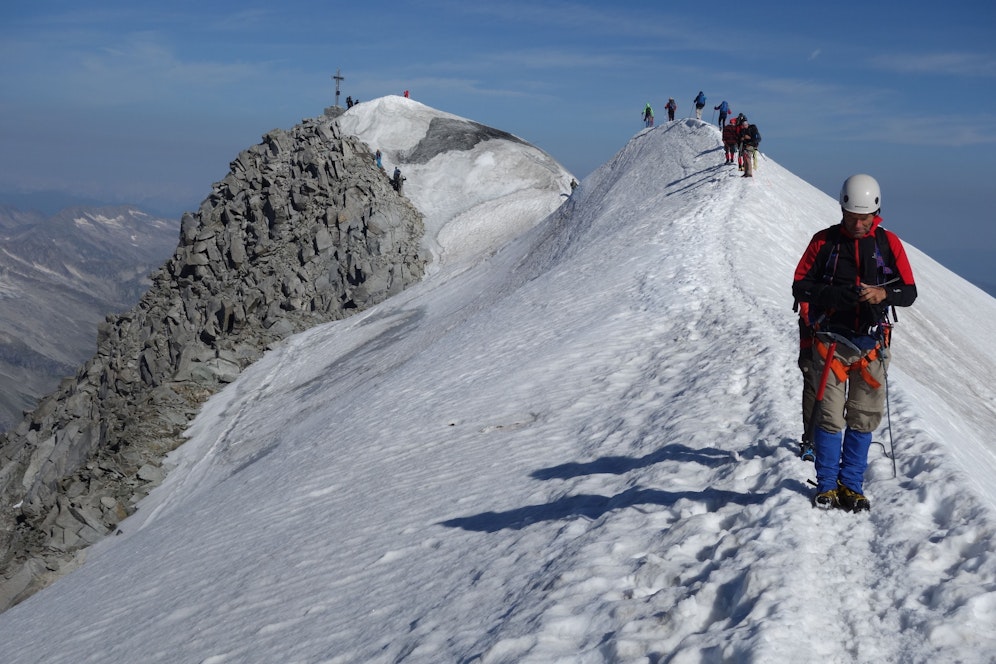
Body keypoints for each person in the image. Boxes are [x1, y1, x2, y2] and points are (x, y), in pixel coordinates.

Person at [792, 174, 917, 511]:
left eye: (866, 218)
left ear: (876, 213)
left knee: (864, 418)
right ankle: (827, 485)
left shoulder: (888, 244)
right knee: (830, 418)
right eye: (853, 217)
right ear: (842, 209)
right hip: (830, 343)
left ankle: (852, 485)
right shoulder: (824, 243)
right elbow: (800, 286)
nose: (860, 224)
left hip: (871, 345)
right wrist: (837, 296)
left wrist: (883, 293)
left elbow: (909, 292)